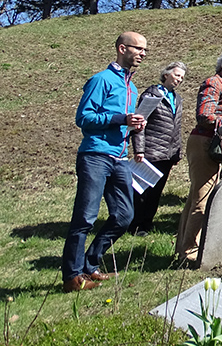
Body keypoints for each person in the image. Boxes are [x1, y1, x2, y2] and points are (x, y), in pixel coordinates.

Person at [61, 32, 148, 292]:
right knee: (85, 218)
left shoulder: (131, 87)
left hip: (120, 159)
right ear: (123, 48)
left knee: (124, 216)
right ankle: (72, 277)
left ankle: (90, 263)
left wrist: (135, 125)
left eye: (145, 50)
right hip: (96, 156)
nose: (143, 54)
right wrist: (121, 118)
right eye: (138, 49)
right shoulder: (101, 80)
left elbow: (124, 122)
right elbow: (84, 117)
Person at [176, 47, 222, 264]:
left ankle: (184, 247)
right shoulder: (213, 83)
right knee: (202, 198)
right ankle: (189, 252)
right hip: (205, 142)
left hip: (218, 144)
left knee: (198, 196)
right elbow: (205, 115)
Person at [128, 60, 186, 237]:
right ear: (166, 74)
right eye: (176, 75)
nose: (179, 80)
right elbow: (139, 124)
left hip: (167, 154)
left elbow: (177, 127)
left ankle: (146, 224)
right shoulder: (151, 95)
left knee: (156, 192)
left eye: (182, 78)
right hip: (151, 151)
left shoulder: (177, 98)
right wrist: (139, 149)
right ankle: (134, 225)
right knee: (141, 191)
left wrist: (176, 153)